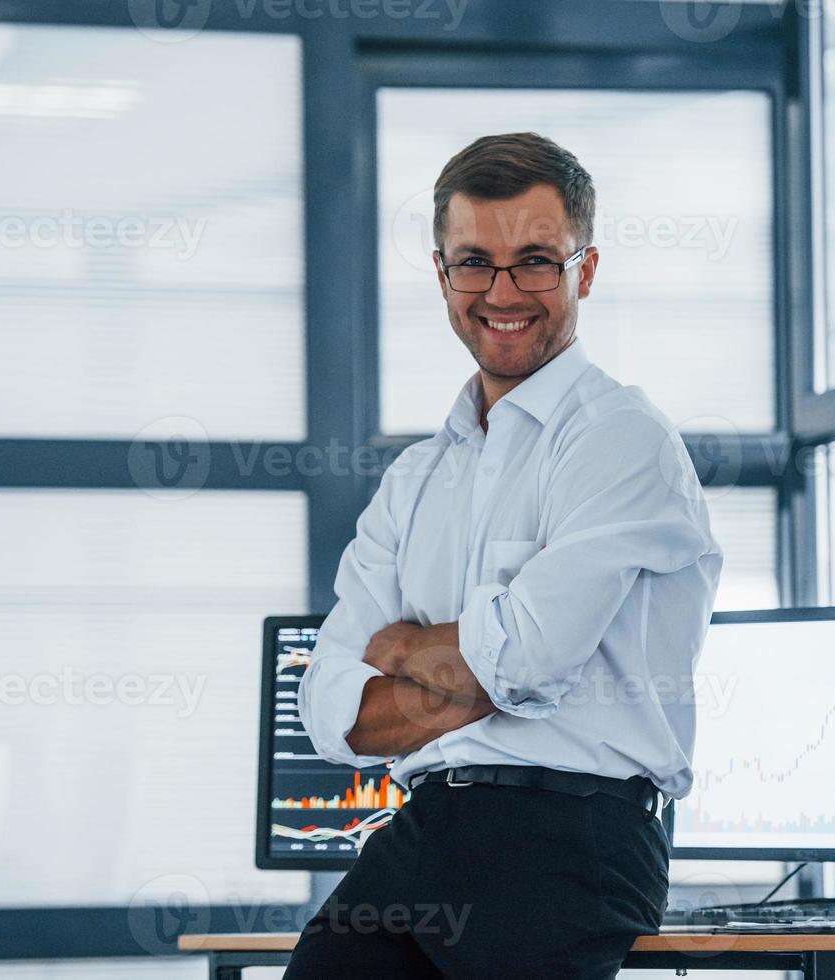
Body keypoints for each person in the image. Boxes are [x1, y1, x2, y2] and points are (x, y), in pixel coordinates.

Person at [286, 132, 723, 979]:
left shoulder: (618, 437)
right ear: (443, 274)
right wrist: (475, 668)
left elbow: (523, 663)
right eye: (473, 263)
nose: (502, 292)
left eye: (535, 262)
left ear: (585, 271)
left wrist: (406, 651)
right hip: (420, 830)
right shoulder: (418, 477)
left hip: (567, 838)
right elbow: (328, 704)